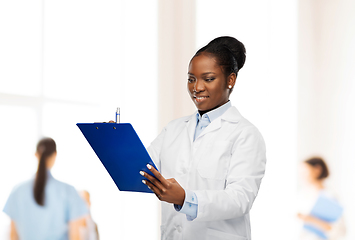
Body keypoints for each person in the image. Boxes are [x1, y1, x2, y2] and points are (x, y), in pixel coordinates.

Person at [140, 36, 267, 240]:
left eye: (208, 79)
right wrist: (116, 142)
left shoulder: (245, 134)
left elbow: (240, 199)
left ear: (230, 80)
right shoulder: (173, 129)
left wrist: (185, 198)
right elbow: (140, 169)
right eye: (191, 79)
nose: (196, 87)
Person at [3, 137, 88, 240]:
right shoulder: (68, 191)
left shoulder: (17, 191)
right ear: (55, 155)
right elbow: (75, 236)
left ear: (36, 155)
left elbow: (13, 236)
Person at [297, 157, 346, 240]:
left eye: (304, 172)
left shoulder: (329, 196)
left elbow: (341, 231)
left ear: (317, 170)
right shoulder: (301, 194)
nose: (301, 176)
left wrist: (311, 220)